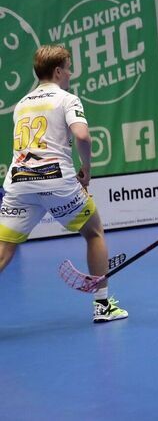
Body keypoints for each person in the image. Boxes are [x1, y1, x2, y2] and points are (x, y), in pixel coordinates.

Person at [0, 44, 128, 324]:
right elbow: (82, 136)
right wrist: (86, 169)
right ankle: (102, 305)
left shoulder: (21, 104)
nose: (70, 73)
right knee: (94, 232)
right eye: (68, 68)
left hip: (19, 183)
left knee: (3, 250)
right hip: (56, 181)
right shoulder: (67, 99)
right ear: (58, 71)